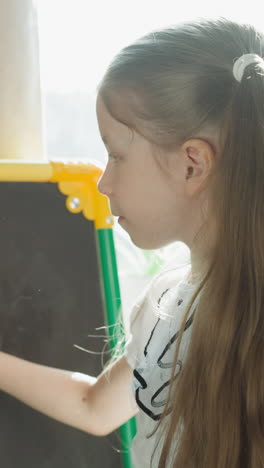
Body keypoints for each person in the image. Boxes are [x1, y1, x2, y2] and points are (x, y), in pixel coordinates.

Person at [1, 15, 264, 468]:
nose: (103, 182)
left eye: (116, 155)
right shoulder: (166, 301)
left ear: (192, 164)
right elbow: (94, 406)